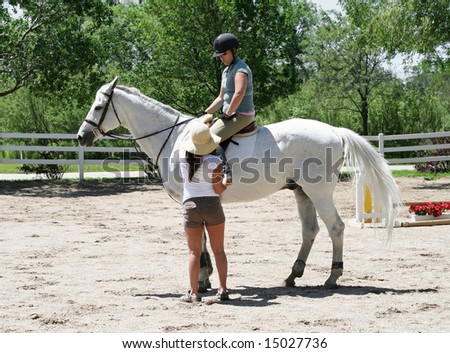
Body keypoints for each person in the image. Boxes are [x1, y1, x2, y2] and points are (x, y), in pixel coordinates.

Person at [180, 122, 230, 303]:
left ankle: (193, 293)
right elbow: (218, 190)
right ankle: (223, 289)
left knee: (194, 252)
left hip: (190, 206)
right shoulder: (215, 162)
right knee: (219, 251)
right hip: (211, 206)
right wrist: (226, 183)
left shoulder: (183, 160)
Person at [200, 33, 256, 182]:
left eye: (224, 54)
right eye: (219, 55)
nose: (221, 58)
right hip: (230, 114)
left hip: (242, 114)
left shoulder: (241, 69)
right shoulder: (226, 71)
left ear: (234, 50)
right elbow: (220, 97)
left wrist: (229, 113)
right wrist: (205, 113)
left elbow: (239, 93)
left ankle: (226, 171)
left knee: (209, 138)